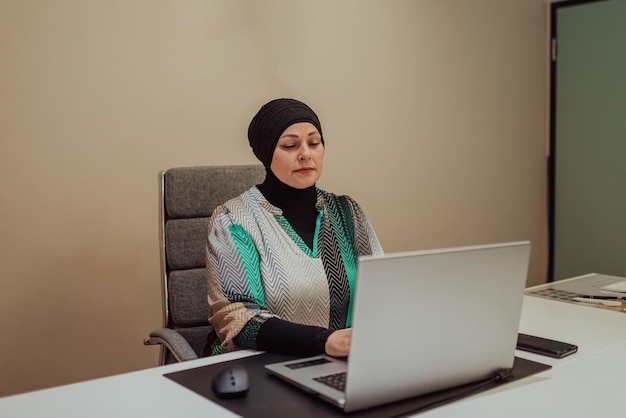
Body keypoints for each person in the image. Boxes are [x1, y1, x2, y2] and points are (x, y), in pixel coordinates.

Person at [204, 98, 383, 358]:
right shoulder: (234, 219)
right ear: (267, 153)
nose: (305, 154)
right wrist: (324, 341)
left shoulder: (347, 213)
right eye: (290, 145)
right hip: (261, 366)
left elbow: (382, 287)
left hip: (344, 363)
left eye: (314, 143)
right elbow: (238, 320)